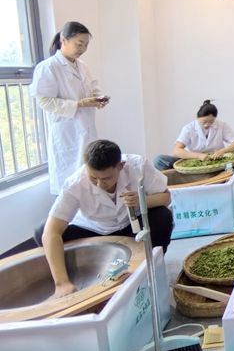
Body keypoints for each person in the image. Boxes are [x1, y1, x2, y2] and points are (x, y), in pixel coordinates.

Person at [34, 139, 173, 299]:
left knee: (163, 216)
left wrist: (142, 201)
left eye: (106, 178)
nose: (100, 184)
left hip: (130, 224)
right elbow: (51, 232)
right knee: (41, 232)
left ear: (120, 166)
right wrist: (61, 283)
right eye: (93, 178)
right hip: (92, 230)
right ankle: (74, 275)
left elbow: (166, 197)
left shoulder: (138, 166)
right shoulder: (74, 184)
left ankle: (151, 265)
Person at [30, 21, 108, 194]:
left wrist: (98, 99)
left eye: (86, 45)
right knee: (70, 186)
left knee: (89, 182)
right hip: (66, 134)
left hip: (86, 130)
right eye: (79, 44)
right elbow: (44, 101)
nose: (83, 49)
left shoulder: (83, 66)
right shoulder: (48, 67)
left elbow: (93, 87)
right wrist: (78, 104)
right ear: (63, 40)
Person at [154, 100, 234, 173]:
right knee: (159, 160)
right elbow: (176, 150)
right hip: (193, 160)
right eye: (204, 122)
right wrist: (198, 156)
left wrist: (222, 151)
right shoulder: (189, 128)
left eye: (211, 122)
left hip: (217, 161)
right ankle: (181, 181)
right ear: (198, 118)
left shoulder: (221, 125)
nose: (207, 125)